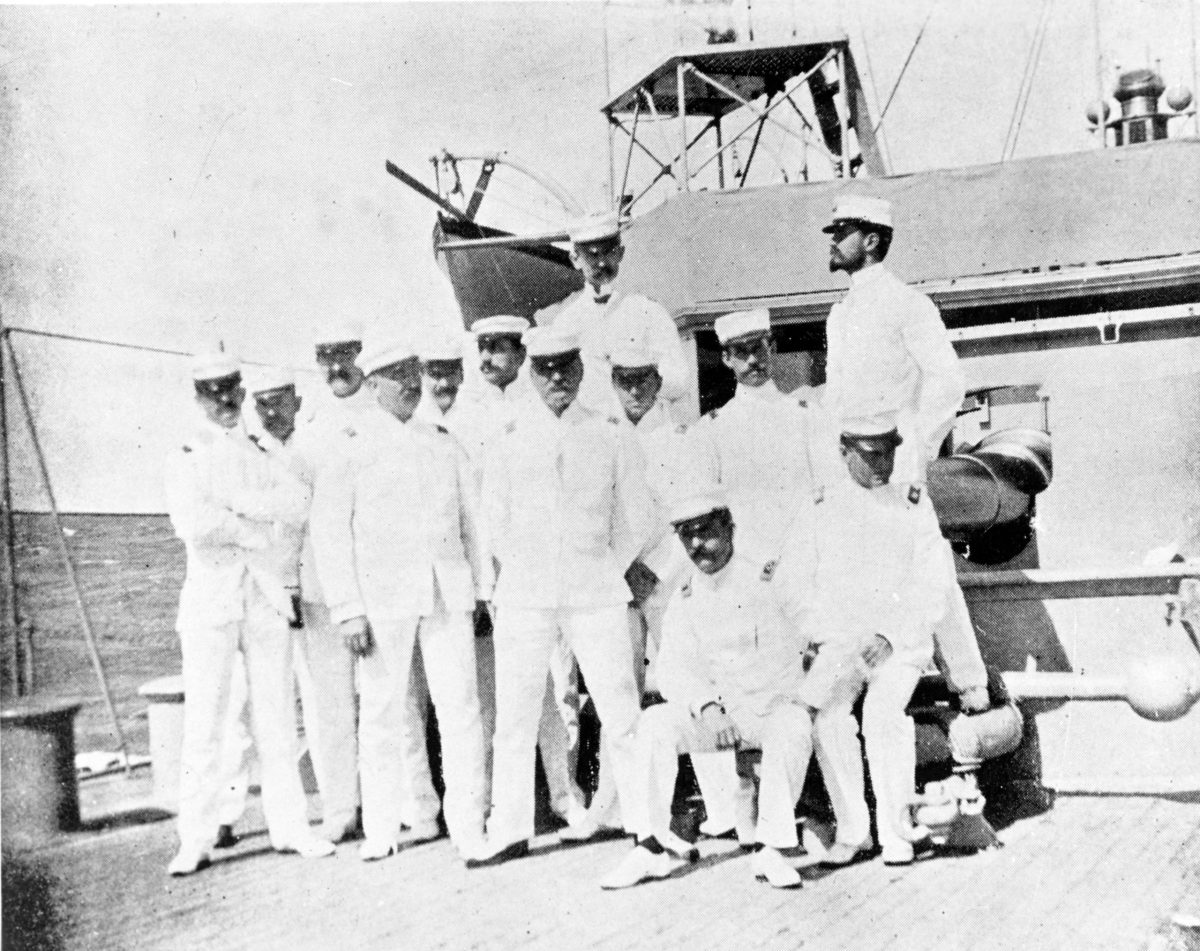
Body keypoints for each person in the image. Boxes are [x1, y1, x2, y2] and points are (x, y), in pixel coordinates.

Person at [309, 338, 489, 863]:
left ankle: (468, 827)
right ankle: (383, 828)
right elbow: (330, 532)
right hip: (382, 599)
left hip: (446, 594)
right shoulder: (349, 445)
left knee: (460, 709)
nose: (412, 383)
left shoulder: (442, 442)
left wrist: (481, 591)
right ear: (372, 384)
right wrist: (347, 610)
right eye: (397, 375)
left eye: (414, 370)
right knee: (382, 713)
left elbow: (472, 523)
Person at [474, 325, 646, 865]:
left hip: (594, 590)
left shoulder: (609, 432)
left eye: (565, 366)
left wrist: (599, 566)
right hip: (526, 593)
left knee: (620, 707)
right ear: (530, 371)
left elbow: (633, 517)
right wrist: (527, 570)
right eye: (545, 369)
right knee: (515, 715)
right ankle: (508, 829)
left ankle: (641, 821)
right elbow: (494, 520)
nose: (556, 378)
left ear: (581, 368)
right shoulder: (507, 435)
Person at [821, 194, 990, 728]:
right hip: (852, 464)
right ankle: (862, 673)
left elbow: (947, 380)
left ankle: (971, 683)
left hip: (895, 463)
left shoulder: (907, 304)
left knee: (929, 562)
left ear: (871, 240)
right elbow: (837, 396)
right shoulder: (840, 313)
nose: (833, 241)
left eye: (842, 232)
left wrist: (915, 447)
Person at [164, 353, 335, 876]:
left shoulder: (260, 450)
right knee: (206, 723)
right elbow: (194, 524)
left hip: (264, 599)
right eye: (211, 390)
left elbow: (298, 503)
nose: (222, 399)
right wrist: (254, 524)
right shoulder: (187, 452)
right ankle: (194, 839)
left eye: (229, 388)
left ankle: (291, 829)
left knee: (277, 720)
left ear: (241, 392)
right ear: (198, 397)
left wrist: (234, 504)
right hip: (211, 604)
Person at [602, 489, 816, 890]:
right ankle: (650, 847)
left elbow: (818, 630)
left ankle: (771, 848)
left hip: (770, 711)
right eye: (687, 536)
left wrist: (810, 696)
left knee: (794, 724)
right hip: (721, 718)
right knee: (654, 723)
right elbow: (674, 668)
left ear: (729, 528)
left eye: (706, 532)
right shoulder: (685, 597)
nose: (698, 544)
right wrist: (707, 708)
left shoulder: (769, 577)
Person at [431, 319, 590, 828]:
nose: (486, 358)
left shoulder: (542, 406)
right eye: (482, 348)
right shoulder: (461, 417)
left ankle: (565, 793)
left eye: (498, 348)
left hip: (545, 571)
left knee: (557, 691)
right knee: (494, 697)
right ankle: (496, 806)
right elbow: (468, 510)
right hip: (490, 581)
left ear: (522, 354)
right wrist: (484, 584)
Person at [684, 307, 824, 837]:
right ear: (726, 359)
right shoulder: (713, 429)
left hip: (802, 573)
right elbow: (709, 510)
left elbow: (822, 498)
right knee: (748, 687)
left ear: (772, 347)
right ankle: (746, 804)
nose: (753, 360)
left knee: (806, 693)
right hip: (745, 585)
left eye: (760, 347)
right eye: (740, 352)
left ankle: (810, 807)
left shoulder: (804, 415)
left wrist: (797, 561)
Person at [309, 321, 439, 845]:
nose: (336, 365)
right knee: (348, 708)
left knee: (405, 706)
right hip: (343, 591)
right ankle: (356, 816)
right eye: (326, 356)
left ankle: (421, 808)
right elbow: (323, 523)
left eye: (345, 353)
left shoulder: (403, 422)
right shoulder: (320, 427)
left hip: (407, 589)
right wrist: (344, 606)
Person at [800, 413, 944, 867]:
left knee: (882, 714)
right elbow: (796, 581)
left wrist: (890, 635)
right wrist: (817, 635)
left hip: (900, 643)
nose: (884, 464)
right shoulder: (821, 506)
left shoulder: (912, 503)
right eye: (871, 455)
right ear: (844, 452)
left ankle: (898, 832)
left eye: (889, 453)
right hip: (843, 643)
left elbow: (933, 580)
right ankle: (854, 831)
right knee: (827, 714)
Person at [248, 366, 359, 844]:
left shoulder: (319, 443)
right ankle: (340, 807)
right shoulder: (250, 455)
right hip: (290, 595)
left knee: (365, 700)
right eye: (262, 404)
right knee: (320, 705)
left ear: (296, 401)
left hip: (336, 588)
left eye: (279, 400)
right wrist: (287, 584)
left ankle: (385, 801)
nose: (271, 411)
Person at [535, 211, 689, 419]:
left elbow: (679, 380)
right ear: (575, 259)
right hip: (592, 428)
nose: (601, 263)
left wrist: (636, 375)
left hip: (643, 429)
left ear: (620, 254)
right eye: (592, 255)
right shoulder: (565, 323)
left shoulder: (649, 312)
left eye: (608, 253)